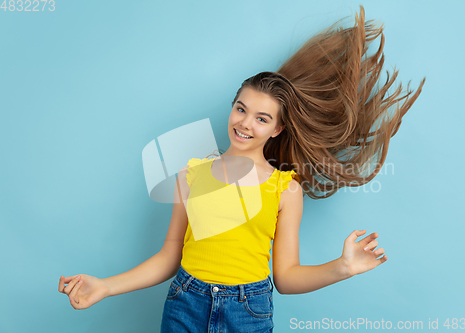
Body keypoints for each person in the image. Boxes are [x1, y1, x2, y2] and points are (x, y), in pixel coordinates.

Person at [58, 5, 425, 332]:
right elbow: (170, 256)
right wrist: (106, 285)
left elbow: (286, 277)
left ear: (277, 129)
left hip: (247, 311)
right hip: (185, 303)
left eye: (262, 118)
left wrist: (341, 267)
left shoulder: (286, 190)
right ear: (232, 107)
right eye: (241, 109)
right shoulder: (192, 175)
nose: (246, 123)